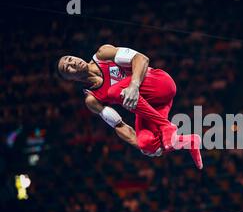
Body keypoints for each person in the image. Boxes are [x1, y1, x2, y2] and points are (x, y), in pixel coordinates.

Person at [57, 44, 203, 169]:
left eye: (70, 58)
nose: (73, 63)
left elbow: (141, 58)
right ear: (70, 80)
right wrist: (141, 146)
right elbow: (119, 125)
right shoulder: (92, 99)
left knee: (114, 91)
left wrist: (134, 84)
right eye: (67, 67)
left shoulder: (103, 54)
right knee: (145, 143)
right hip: (150, 106)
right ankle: (188, 141)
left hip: (161, 84)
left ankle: (166, 126)